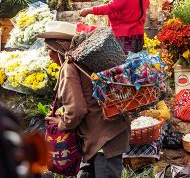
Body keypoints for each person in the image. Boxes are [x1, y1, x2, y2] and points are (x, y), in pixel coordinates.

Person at [38, 21, 130, 178]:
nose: (49, 56)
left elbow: (77, 110)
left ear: (58, 48)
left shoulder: (69, 67)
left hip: (102, 140)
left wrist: (61, 123)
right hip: (111, 131)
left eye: (49, 50)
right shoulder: (83, 59)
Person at [80, 0, 150, 54]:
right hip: (139, 36)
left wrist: (89, 10)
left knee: (123, 64)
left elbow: (109, 8)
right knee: (134, 63)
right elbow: (146, 5)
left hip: (125, 37)